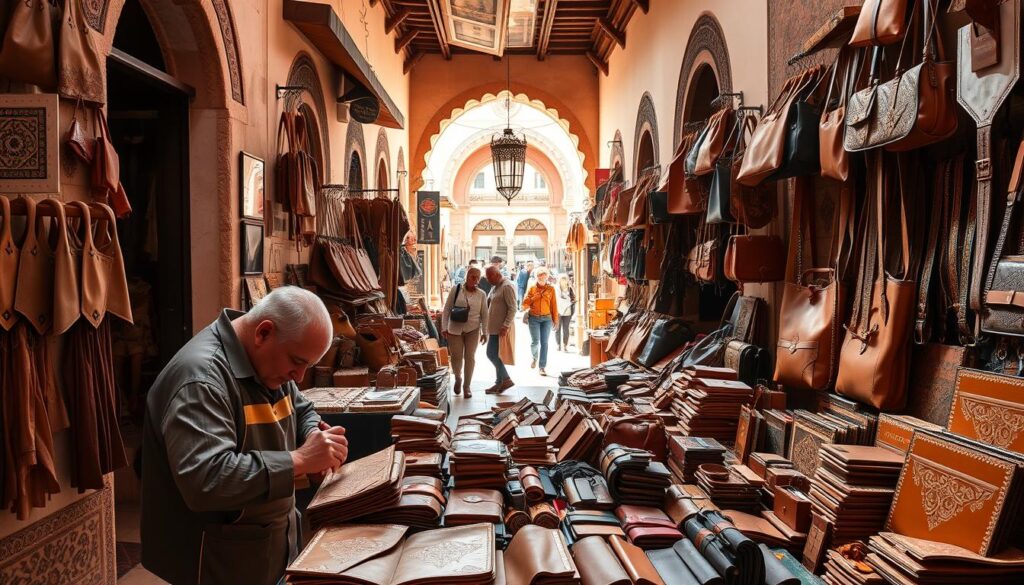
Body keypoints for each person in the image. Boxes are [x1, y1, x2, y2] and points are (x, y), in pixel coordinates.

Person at [141, 287, 347, 585]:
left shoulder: (267, 361)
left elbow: (301, 407)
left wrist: (314, 435)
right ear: (263, 332)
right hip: (217, 565)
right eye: (298, 362)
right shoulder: (202, 379)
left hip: (265, 554)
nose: (299, 377)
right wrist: (300, 460)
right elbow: (206, 480)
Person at [441, 265, 488, 398]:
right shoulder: (456, 290)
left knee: (470, 357)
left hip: (473, 329)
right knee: (456, 357)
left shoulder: (481, 294)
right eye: (473, 277)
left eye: (478, 278)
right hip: (455, 329)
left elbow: (485, 314)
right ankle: (457, 377)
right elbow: (447, 309)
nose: (476, 280)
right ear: (467, 276)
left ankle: (467, 386)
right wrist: (444, 327)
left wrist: (485, 332)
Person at [483, 264, 517, 394]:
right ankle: (499, 383)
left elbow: (513, 308)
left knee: (491, 354)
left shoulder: (506, 286)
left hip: (501, 328)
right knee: (496, 354)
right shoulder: (495, 287)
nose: (487, 279)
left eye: (489, 276)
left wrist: (506, 325)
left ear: (496, 274)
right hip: (493, 328)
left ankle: (506, 379)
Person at [522, 266, 558, 376]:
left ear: (547, 277)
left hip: (547, 318)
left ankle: (542, 367)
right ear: (536, 277)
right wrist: (534, 298)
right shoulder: (532, 288)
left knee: (545, 343)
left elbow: (554, 305)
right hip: (534, 318)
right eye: (540, 277)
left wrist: (555, 319)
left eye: (544, 277)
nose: (542, 279)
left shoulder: (551, 289)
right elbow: (524, 304)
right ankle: (534, 357)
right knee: (535, 341)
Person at [557, 273, 576, 352]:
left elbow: (574, 299)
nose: (564, 281)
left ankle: (565, 345)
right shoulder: (556, 289)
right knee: (557, 328)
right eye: (562, 280)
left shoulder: (570, 289)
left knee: (566, 329)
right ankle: (558, 345)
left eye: (565, 280)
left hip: (567, 311)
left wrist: (571, 301)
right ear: (559, 281)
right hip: (558, 311)